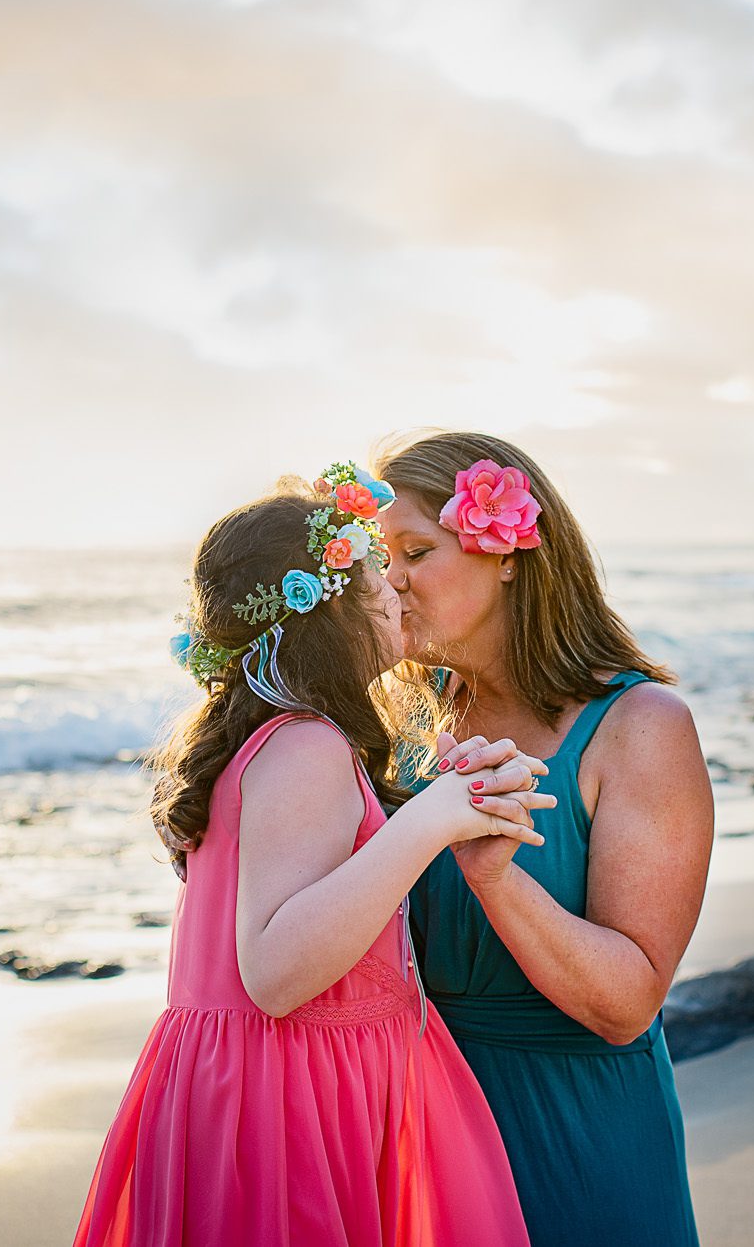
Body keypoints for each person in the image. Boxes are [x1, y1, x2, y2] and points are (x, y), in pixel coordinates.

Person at [72, 463, 544, 1246]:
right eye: (372, 576)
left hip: (260, 1083)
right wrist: (428, 823)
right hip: (294, 1098)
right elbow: (277, 971)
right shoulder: (304, 745)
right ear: (324, 612)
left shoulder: (273, 739)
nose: (394, 586)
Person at [372, 432, 714, 1247]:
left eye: (416, 550)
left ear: (510, 554)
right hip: (419, 1136)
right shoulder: (398, 728)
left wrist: (497, 877)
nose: (389, 580)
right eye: (379, 558)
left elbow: (627, 1004)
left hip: (577, 1138)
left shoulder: (638, 728)